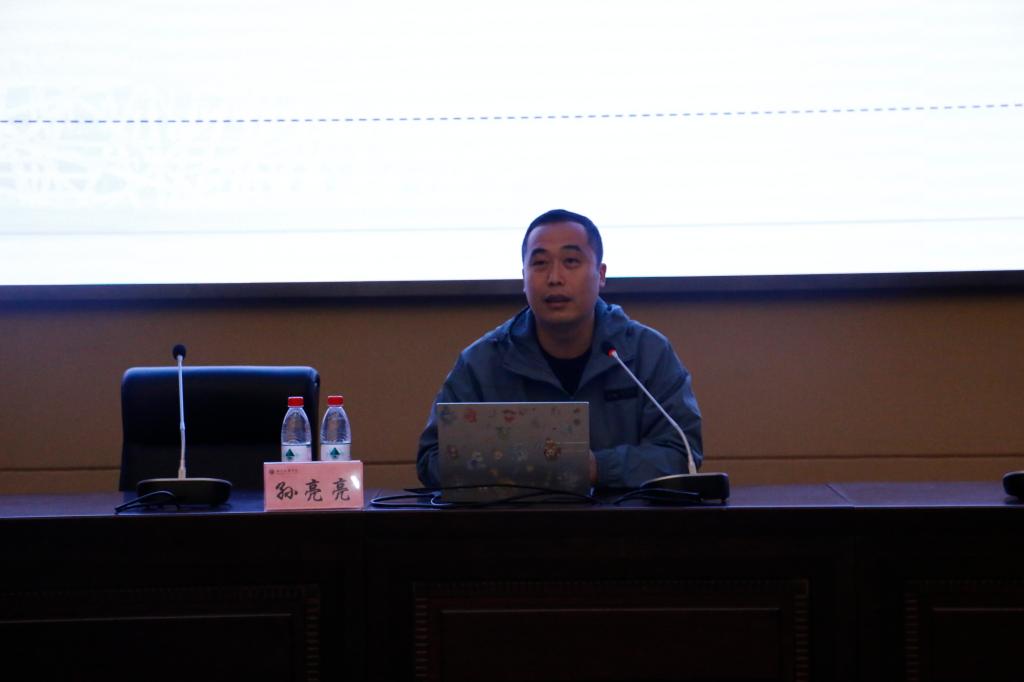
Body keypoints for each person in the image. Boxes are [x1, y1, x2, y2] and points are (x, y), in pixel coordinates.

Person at [416, 209, 702, 489]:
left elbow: (682, 453)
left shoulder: (647, 353)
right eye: (540, 263)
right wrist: (524, 466)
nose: (554, 277)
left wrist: (597, 468)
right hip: (514, 519)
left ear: (601, 274)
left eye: (571, 261)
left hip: (622, 519)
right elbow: (432, 459)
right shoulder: (483, 361)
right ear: (524, 277)